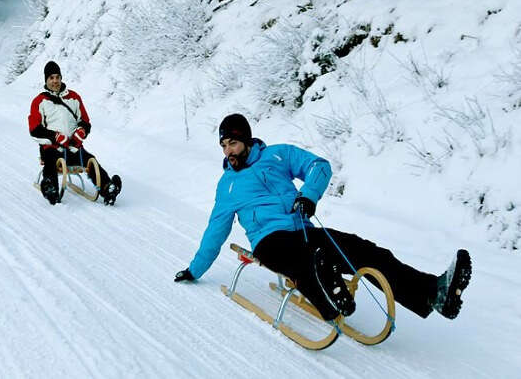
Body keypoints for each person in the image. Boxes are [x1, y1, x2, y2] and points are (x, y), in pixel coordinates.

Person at [174, 113, 472, 322]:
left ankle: (435, 293)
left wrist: (308, 195)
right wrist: (194, 269)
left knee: (362, 249)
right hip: (268, 240)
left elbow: (319, 166)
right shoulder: (227, 186)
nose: (228, 152)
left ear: (247, 141)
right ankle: (329, 299)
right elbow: (215, 231)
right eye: (223, 146)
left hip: (302, 227)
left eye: (233, 144)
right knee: (304, 258)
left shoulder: (278, 155)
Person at [28, 61, 122, 205]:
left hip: (73, 146)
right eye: (51, 78)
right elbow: (34, 129)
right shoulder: (40, 101)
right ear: (46, 80)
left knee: (91, 160)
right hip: (52, 148)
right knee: (51, 163)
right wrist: (55, 137)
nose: (55, 81)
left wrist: (81, 131)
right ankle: (50, 188)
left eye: (57, 77)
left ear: (61, 78)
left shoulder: (73, 97)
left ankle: (107, 188)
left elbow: (85, 120)